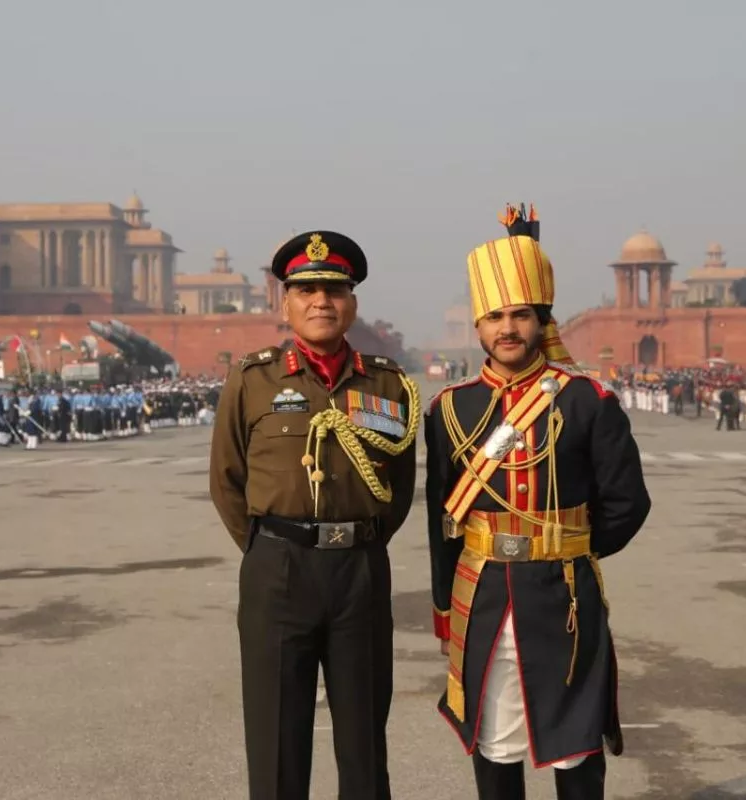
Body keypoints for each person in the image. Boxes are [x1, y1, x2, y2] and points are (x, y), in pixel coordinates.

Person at [425, 204, 652, 800]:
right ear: (477, 327)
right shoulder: (450, 408)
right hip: (483, 593)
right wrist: (442, 601)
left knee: (576, 746)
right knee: (494, 739)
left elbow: (628, 502)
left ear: (540, 320)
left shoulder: (587, 401)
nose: (507, 328)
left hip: (565, 593)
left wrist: (569, 546)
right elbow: (441, 517)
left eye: (520, 314)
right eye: (495, 316)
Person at [209, 230, 420, 800]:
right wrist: (272, 542)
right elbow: (227, 480)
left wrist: (358, 537)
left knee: (363, 741)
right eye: (306, 289)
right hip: (278, 569)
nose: (320, 300)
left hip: (360, 571)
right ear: (285, 303)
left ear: (352, 302)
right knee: (277, 740)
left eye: (334, 289)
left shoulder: (388, 384)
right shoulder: (251, 380)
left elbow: (398, 487)